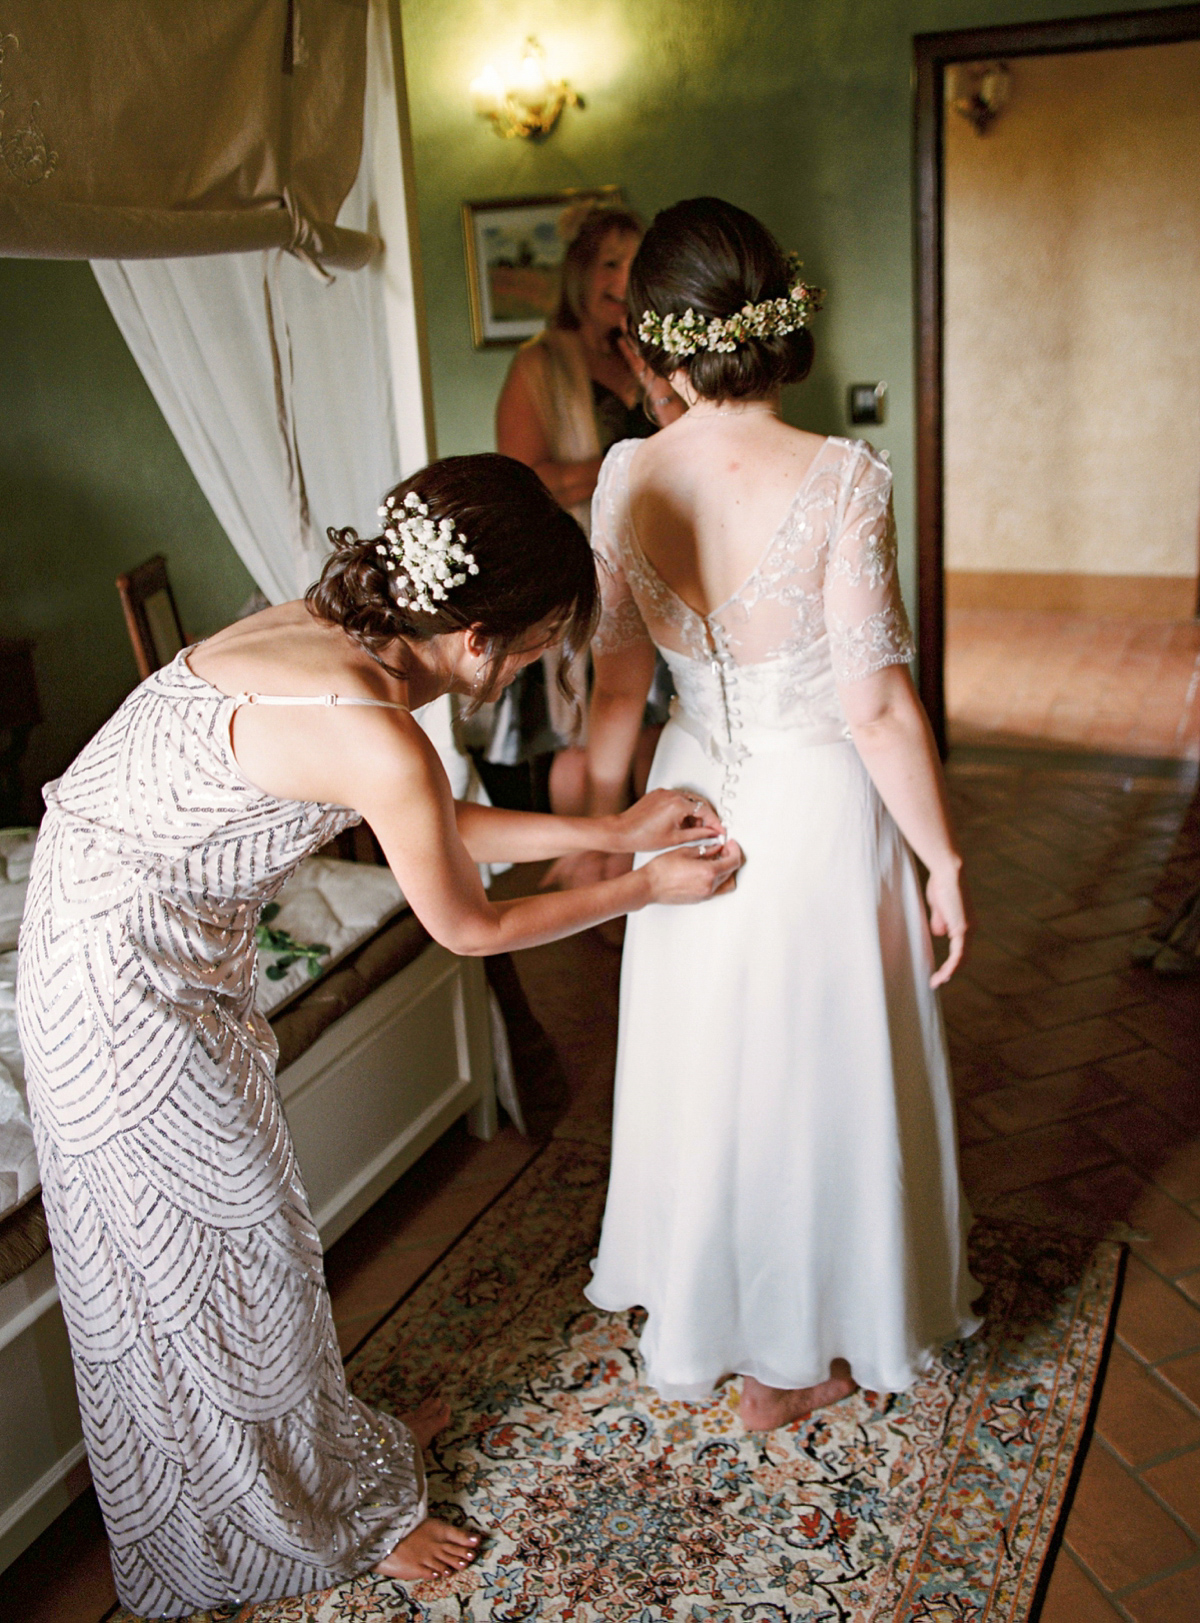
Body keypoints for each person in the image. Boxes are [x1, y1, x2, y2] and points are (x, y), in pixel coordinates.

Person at [15, 453, 740, 1618]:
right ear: (479, 639)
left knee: (254, 1249)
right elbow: (469, 919)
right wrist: (637, 886)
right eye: (538, 645)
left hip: (117, 941)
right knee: (226, 1257)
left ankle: (324, 1458)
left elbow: (424, 819)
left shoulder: (323, 628)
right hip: (116, 991)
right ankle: (319, 1530)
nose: (525, 673)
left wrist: (607, 822)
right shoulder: (379, 726)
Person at [579, 198, 980, 1429]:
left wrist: (602, 840)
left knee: (713, 1066)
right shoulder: (843, 475)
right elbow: (876, 709)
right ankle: (808, 1348)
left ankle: (739, 1328)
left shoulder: (626, 476)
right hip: (812, 798)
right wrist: (946, 858)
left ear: (654, 341)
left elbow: (613, 691)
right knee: (820, 1067)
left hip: (686, 794)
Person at [486, 206, 685, 814]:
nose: (624, 281)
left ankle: (647, 886)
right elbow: (523, 486)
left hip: (664, 569)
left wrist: (658, 387)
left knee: (657, 733)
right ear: (579, 274)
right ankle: (591, 893)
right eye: (609, 264)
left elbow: (694, 452)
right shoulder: (537, 365)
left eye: (635, 265)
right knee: (579, 744)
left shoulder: (661, 360)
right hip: (579, 573)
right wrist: (621, 467)